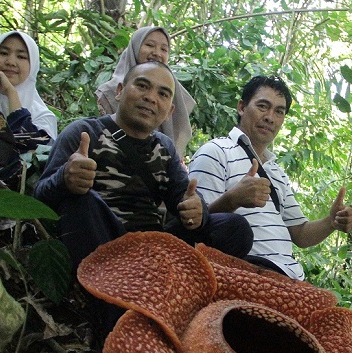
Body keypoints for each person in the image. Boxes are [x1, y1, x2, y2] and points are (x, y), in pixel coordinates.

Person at [34, 61, 252, 332]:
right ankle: (117, 321)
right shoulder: (85, 133)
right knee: (81, 202)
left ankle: (193, 308)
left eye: (163, 94)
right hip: (105, 243)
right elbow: (40, 198)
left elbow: (182, 201)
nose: (151, 97)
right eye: (142, 86)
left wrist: (198, 211)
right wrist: (65, 178)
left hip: (153, 251)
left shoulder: (165, 147)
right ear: (120, 90)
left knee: (236, 228)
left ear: (169, 110)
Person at [188, 75, 352, 280]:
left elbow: (300, 234)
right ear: (241, 107)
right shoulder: (215, 151)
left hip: (290, 278)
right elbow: (194, 224)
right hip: (242, 273)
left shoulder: (276, 171)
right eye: (263, 106)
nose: (270, 117)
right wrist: (233, 199)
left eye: (279, 111)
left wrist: (331, 222)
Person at [95, 26, 195, 157]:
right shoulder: (110, 91)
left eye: (164, 49)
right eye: (149, 45)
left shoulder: (176, 93)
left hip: (160, 165)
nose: (157, 53)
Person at [0, 31, 58, 185]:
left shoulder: (43, 116)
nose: (11, 62)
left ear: (32, 65)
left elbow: (33, 152)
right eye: (4, 53)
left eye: (21, 57)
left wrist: (11, 94)